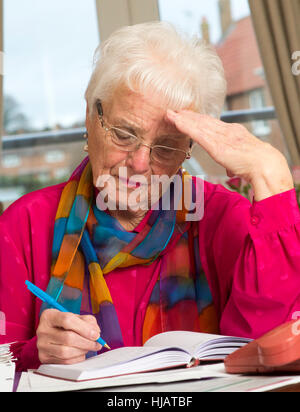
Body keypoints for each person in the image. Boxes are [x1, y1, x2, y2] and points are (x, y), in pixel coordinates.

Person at [0, 21, 299, 372]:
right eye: (125, 134)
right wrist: (36, 353)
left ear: (189, 147)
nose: (140, 163)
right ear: (91, 117)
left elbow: (268, 355)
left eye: (167, 147)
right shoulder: (24, 225)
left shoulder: (223, 216)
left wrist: (272, 176)